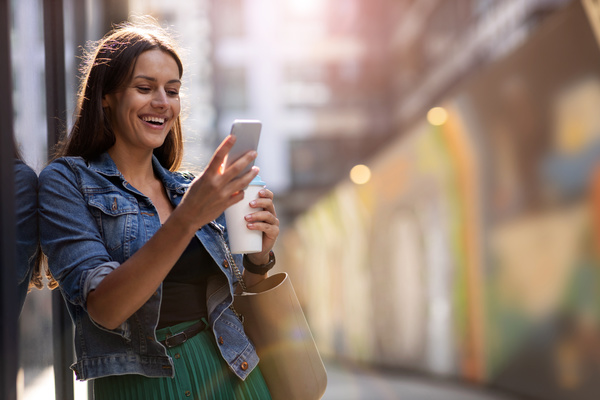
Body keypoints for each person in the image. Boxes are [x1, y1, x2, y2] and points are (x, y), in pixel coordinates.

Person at [38, 18, 279, 400]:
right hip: (139, 384)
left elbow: (237, 296)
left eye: (172, 90)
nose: (162, 103)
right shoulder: (64, 182)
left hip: (232, 374)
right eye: (144, 88)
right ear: (107, 96)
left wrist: (259, 256)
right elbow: (105, 308)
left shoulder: (189, 190)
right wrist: (187, 219)